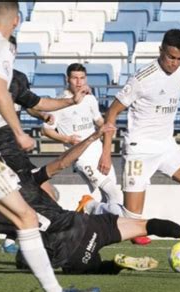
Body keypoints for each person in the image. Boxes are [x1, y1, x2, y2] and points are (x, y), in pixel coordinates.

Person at [0, 3, 97, 292]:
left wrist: (70, 102)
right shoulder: (1, 47)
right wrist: (19, 132)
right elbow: (0, 92)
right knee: (26, 218)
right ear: (16, 21)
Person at [0, 126, 180, 275]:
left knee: (78, 264)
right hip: (87, 223)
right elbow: (62, 161)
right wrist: (93, 137)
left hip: (67, 252)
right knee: (144, 224)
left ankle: (115, 264)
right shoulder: (26, 182)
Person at [96, 28, 180, 266]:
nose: (174, 63)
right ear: (161, 51)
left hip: (166, 146)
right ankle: (93, 208)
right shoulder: (142, 78)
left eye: (179, 58)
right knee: (131, 219)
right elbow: (113, 111)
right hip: (139, 150)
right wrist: (106, 151)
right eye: (170, 57)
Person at [42, 63, 122, 208]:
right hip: (80, 156)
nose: (79, 82)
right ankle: (87, 206)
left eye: (82, 78)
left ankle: (101, 226)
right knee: (113, 193)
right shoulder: (59, 102)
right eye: (75, 78)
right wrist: (66, 139)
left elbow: (98, 120)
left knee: (112, 198)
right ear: (67, 79)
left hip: (98, 150)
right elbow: (46, 130)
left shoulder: (90, 99)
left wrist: (108, 125)